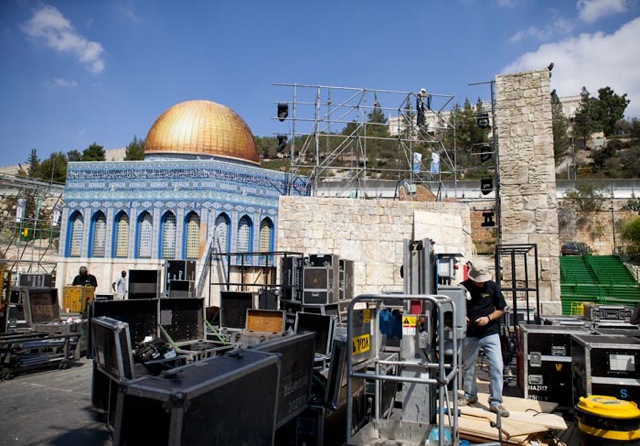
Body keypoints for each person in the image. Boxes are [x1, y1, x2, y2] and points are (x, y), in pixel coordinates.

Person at [458, 259, 510, 418]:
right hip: (470, 334)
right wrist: (462, 316)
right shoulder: (462, 287)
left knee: (496, 366)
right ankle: (470, 395)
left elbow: (501, 309)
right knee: (468, 367)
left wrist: (488, 318)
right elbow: (454, 306)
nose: (480, 284)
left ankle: (495, 402)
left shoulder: (493, 287)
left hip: (490, 332)